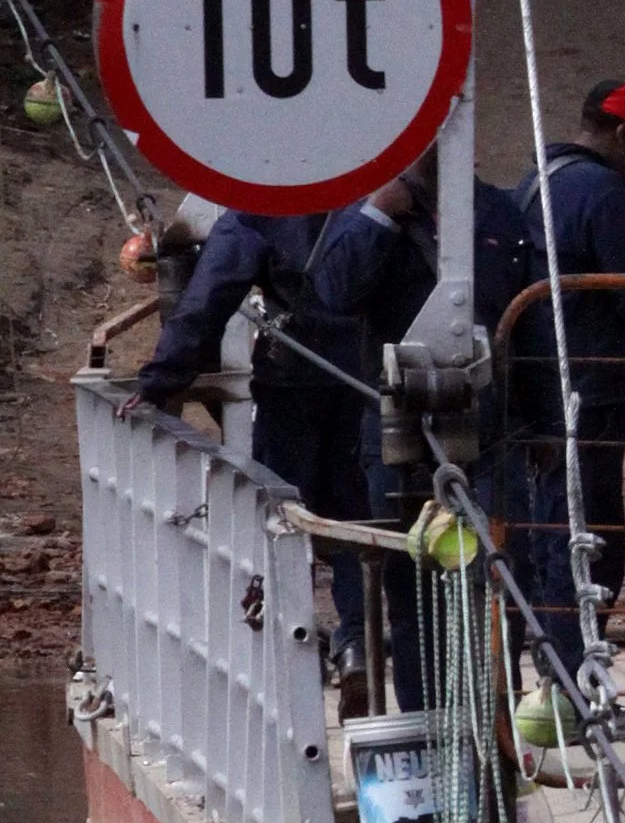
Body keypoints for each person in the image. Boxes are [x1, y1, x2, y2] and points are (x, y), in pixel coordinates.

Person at [123, 208, 371, 704]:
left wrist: (161, 379)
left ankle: (290, 654)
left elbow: (207, 299)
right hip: (370, 378)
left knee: (283, 516)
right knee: (358, 517)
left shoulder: (261, 204)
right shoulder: (376, 193)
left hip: (292, 380)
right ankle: (357, 644)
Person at [309, 162, 532, 712]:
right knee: (412, 592)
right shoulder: (367, 207)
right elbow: (334, 293)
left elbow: (531, 323)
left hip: (493, 432)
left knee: (501, 578)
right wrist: (381, 213)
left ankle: (495, 723)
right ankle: (422, 722)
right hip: (395, 435)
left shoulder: (500, 209)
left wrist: (547, 421)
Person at [513, 81, 625, 717]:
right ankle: (576, 689)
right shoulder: (601, 191)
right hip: (588, 392)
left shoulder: (534, 181)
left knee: (555, 532)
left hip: (539, 391)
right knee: (591, 538)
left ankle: (556, 683)